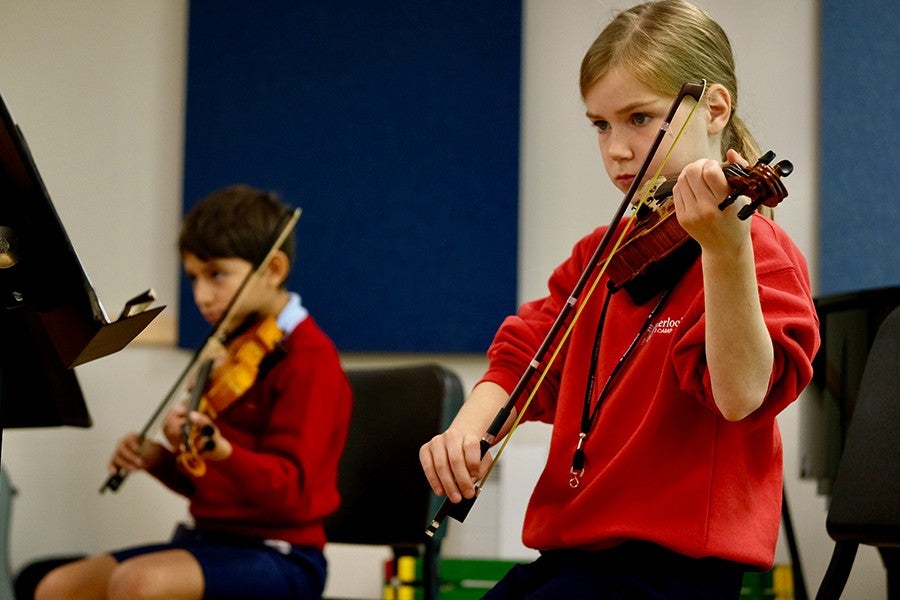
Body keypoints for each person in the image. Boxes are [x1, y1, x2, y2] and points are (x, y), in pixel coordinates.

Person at [419, 1, 820, 598]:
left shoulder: (755, 249)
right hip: (572, 554)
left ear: (714, 108)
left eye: (639, 118)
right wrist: (474, 424)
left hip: (672, 571)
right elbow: (532, 346)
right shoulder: (601, 254)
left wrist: (724, 252)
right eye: (600, 125)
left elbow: (740, 398)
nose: (617, 149)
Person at [35, 185, 353, 600]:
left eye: (217, 274)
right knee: (58, 587)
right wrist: (159, 460)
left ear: (273, 269)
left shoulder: (309, 358)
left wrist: (223, 452)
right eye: (193, 278)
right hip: (207, 542)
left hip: (284, 554)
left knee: (139, 583)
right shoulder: (227, 349)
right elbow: (208, 487)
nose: (201, 296)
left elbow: (291, 494)